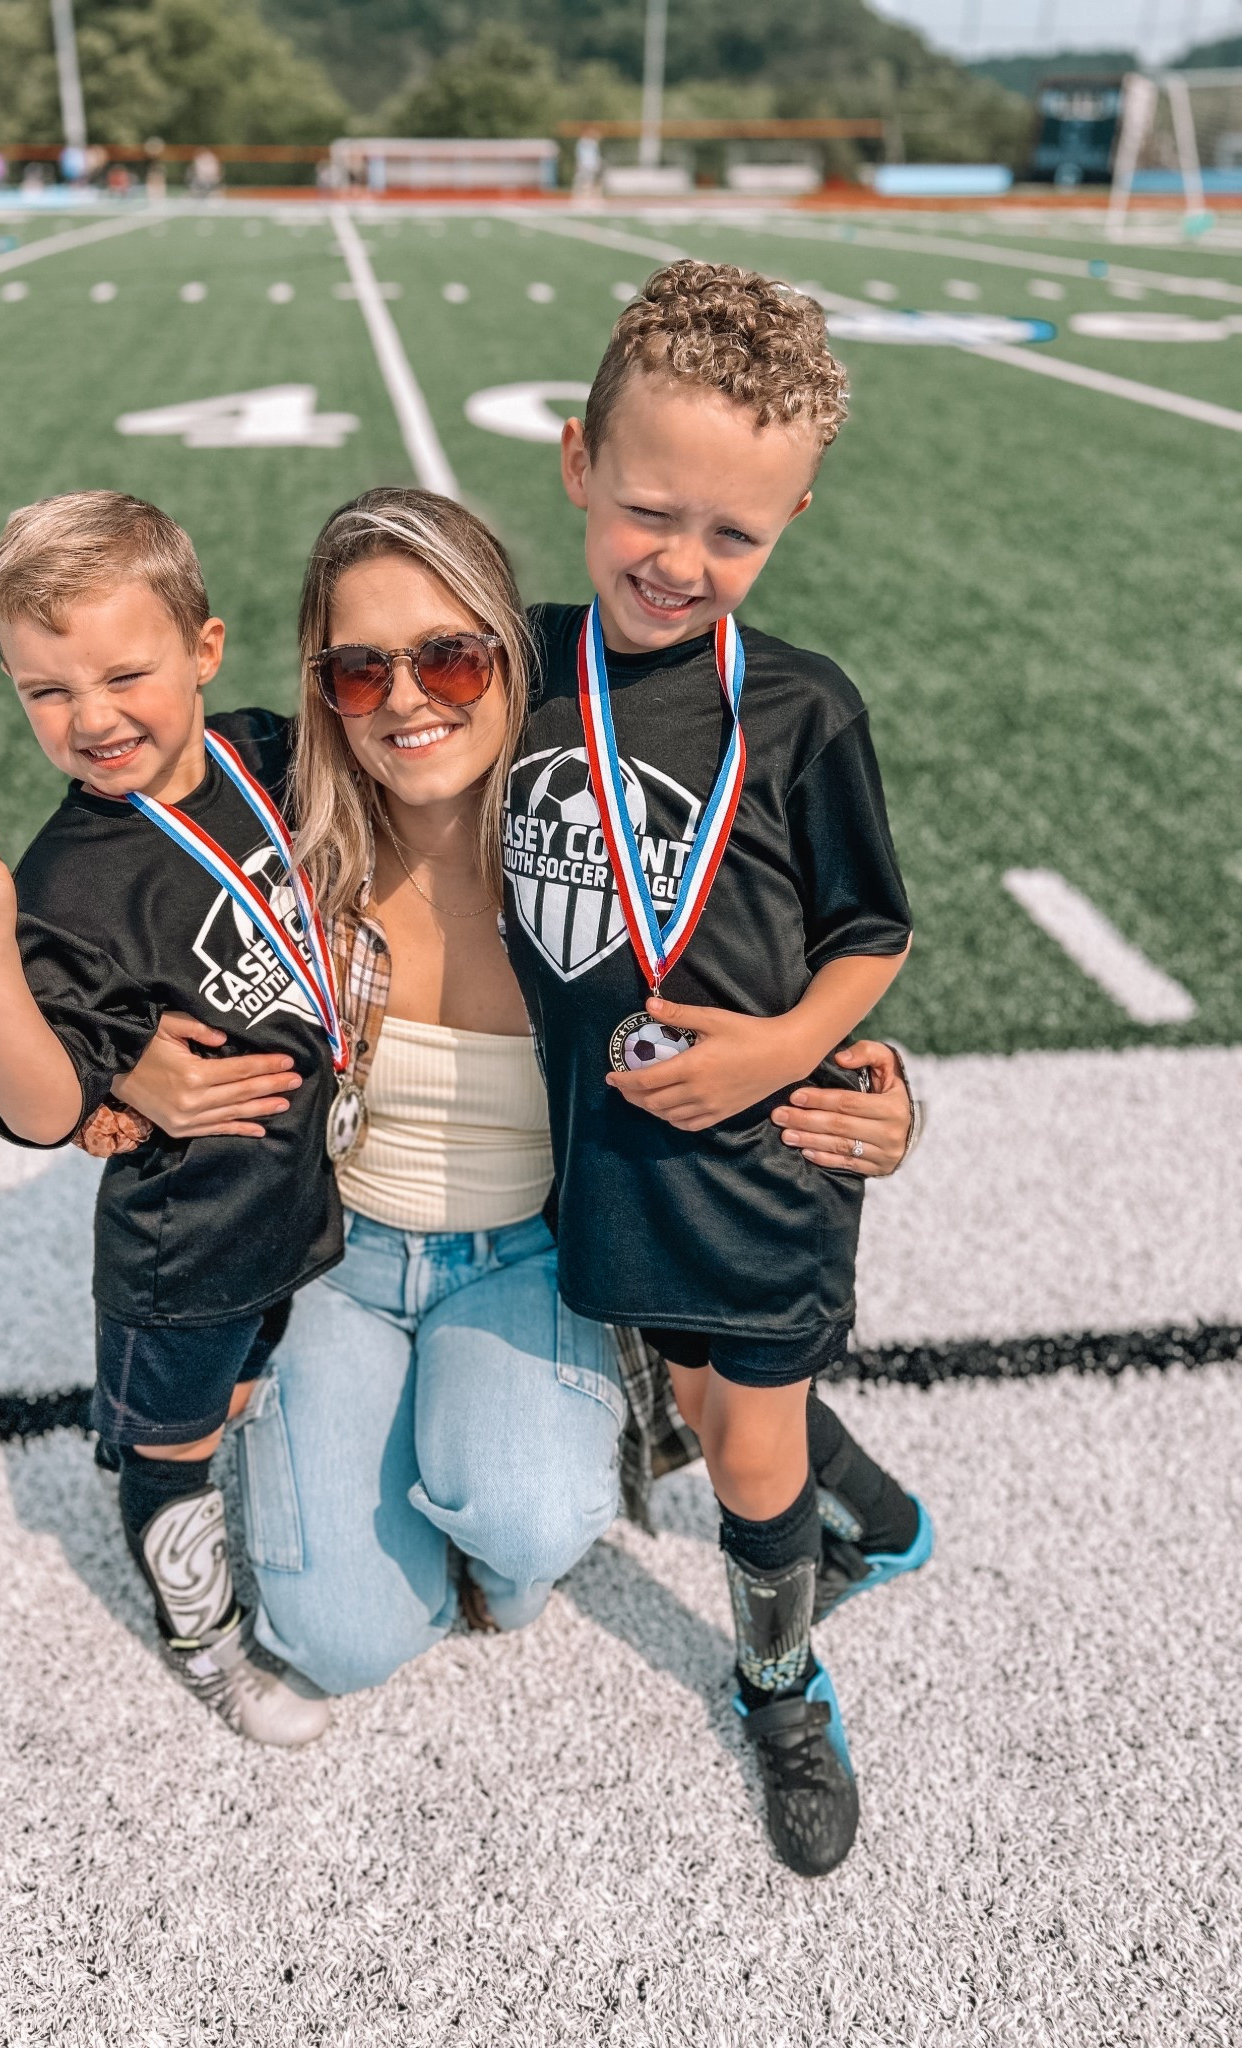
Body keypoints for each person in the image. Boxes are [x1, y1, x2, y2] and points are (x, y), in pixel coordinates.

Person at [95, 489, 928, 1716]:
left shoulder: (601, 820)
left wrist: (885, 1099)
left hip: (531, 1250)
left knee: (531, 1523)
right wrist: (115, 1074)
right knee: (340, 1641)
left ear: (509, 649)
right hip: (336, 1255)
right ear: (321, 687)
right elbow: (81, 907)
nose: (411, 698)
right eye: (360, 672)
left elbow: (790, 974)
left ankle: (520, 1497)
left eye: (450, 654)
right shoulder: (270, 801)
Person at [502, 261, 920, 1877]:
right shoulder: (513, 669)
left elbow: (870, 930)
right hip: (603, 1161)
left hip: (758, 1175)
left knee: (742, 1448)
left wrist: (789, 1047)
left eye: (730, 532)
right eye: (647, 510)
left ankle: (781, 1683)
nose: (680, 561)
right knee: (691, 1386)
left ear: (793, 513)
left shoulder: (803, 707)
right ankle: (871, 1506)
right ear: (577, 465)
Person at [0, 491, 340, 1748]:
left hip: (296, 1205)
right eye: (43, 691)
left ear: (204, 649)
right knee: (177, 1440)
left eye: (124, 673)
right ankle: (202, 1635)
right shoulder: (65, 887)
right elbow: (41, 1112)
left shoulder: (266, 751)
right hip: (181, 1251)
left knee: (240, 1400)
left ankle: (193, 1471)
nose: (89, 717)